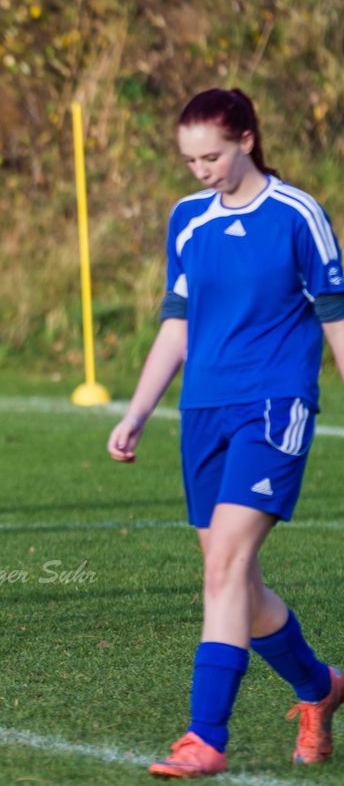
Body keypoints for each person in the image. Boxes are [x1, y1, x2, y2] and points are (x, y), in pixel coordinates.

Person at [107, 88, 344, 777]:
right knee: (239, 584)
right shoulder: (187, 219)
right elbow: (176, 324)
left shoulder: (297, 214)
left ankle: (205, 737)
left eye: (211, 155)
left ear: (246, 137)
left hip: (273, 406)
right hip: (203, 411)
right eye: (189, 159)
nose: (201, 169)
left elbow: (333, 315)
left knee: (224, 570)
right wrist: (138, 410)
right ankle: (320, 687)